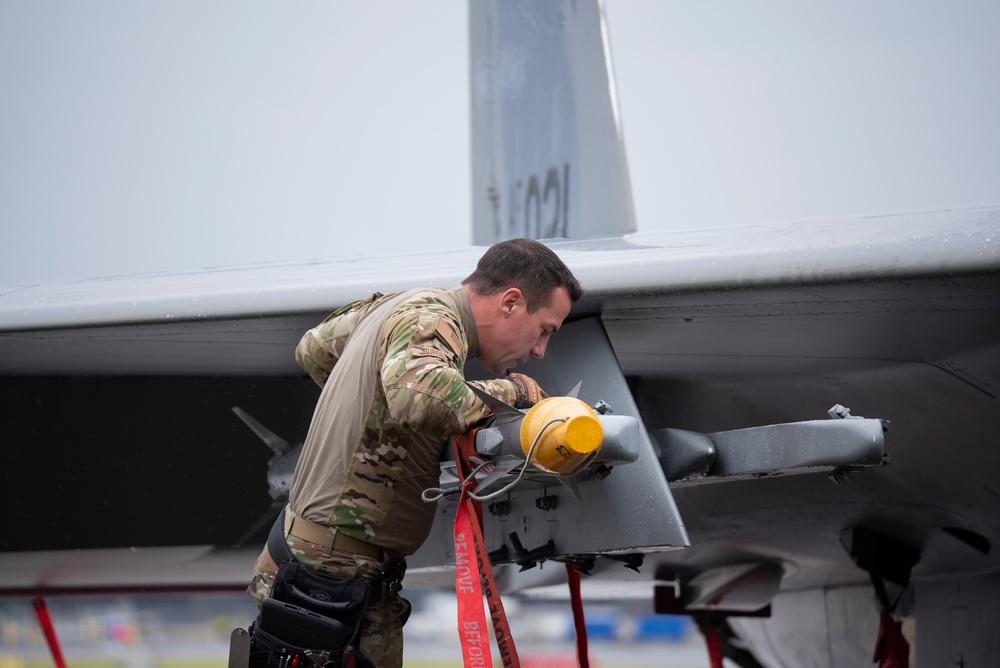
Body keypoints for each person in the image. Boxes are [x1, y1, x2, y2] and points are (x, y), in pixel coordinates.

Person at [246, 238, 583, 667]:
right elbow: (418, 400)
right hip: (329, 582)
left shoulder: (397, 307)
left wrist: (371, 412)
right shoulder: (431, 317)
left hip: (323, 570)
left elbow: (314, 348)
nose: (539, 350)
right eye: (544, 330)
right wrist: (515, 391)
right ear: (511, 302)